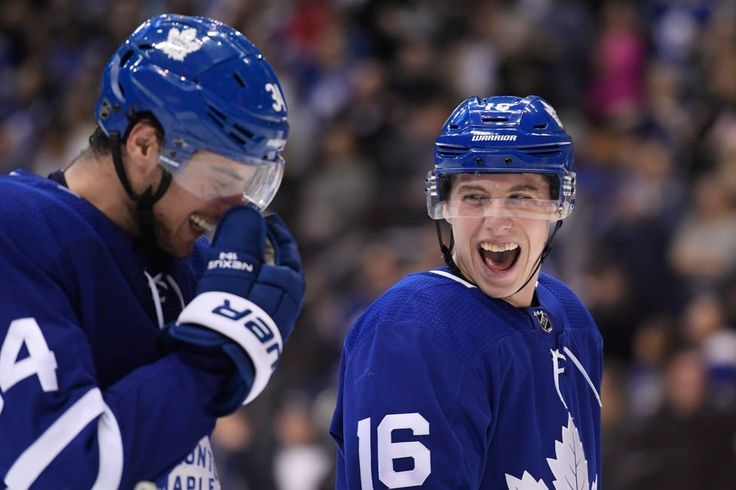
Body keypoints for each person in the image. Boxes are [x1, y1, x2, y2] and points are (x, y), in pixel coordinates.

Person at [0, 14, 304, 489]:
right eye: (221, 181)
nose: (232, 212)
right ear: (144, 145)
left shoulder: (194, 263)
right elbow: (54, 473)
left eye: (251, 186)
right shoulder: (18, 228)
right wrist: (214, 360)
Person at [331, 95, 603, 489]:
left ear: (557, 205)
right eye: (474, 196)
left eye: (521, 197)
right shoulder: (412, 329)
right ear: (444, 204)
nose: (496, 221)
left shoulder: (574, 321)